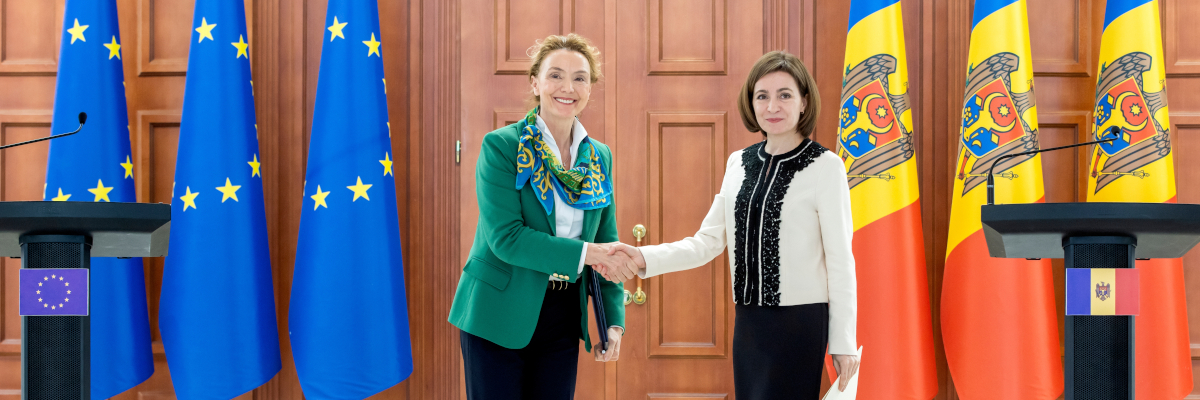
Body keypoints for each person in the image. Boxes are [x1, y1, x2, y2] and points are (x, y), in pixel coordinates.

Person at [598, 51, 860, 399]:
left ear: (803, 102)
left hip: (800, 324)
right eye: (762, 96)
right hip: (750, 323)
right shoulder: (739, 162)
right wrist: (642, 257)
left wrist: (843, 342)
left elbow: (841, 260)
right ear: (751, 104)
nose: (772, 106)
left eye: (785, 95)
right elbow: (706, 242)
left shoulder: (826, 166)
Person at [448, 33, 633, 400]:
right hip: (496, 313)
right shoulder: (502, 147)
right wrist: (586, 255)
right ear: (535, 82)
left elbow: (604, 244)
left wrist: (612, 322)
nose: (568, 87)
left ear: (590, 88)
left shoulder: (599, 157)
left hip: (563, 315)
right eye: (555, 75)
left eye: (580, 77)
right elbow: (507, 238)